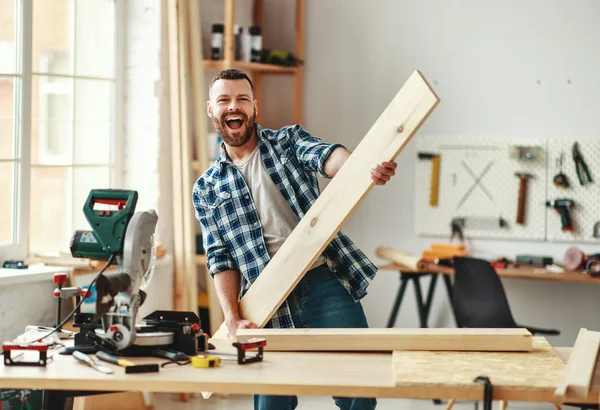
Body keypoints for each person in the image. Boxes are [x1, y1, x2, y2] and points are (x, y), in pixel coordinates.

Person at [193, 69, 397, 410]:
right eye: (224, 100)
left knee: (358, 392)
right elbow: (221, 258)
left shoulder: (287, 142)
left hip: (322, 284)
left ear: (254, 106)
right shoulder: (207, 187)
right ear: (211, 110)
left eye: (242, 99)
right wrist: (231, 315)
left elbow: (327, 157)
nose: (235, 106)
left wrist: (363, 167)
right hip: (265, 302)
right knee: (272, 405)